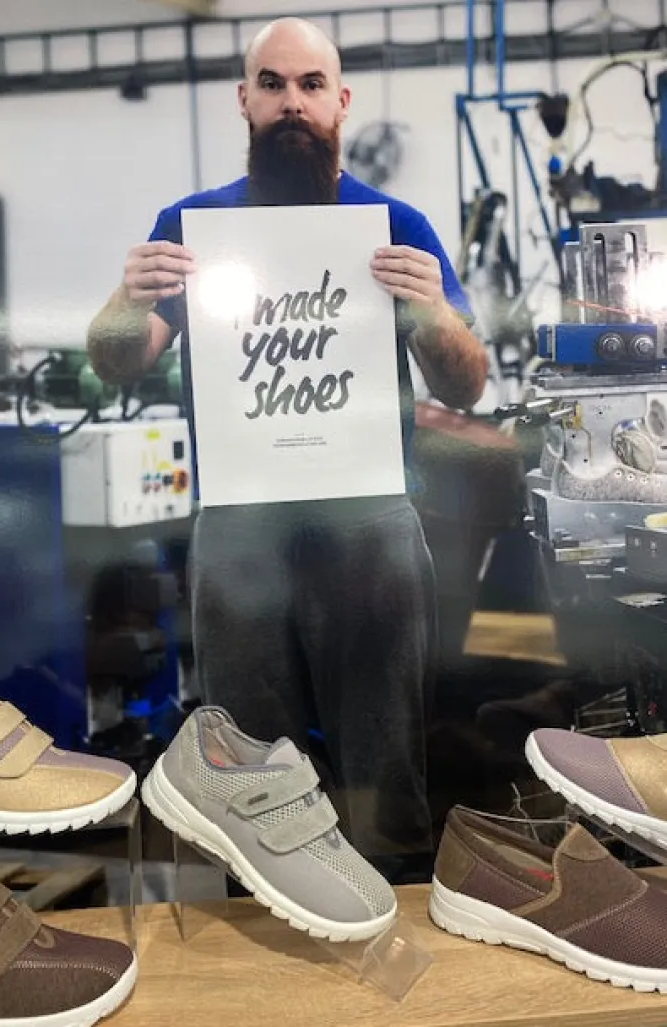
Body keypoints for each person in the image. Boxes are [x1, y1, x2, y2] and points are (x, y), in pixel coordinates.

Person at [88, 17, 487, 874]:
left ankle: (394, 913)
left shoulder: (396, 223)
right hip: (241, 527)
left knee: (386, 764)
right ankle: (271, 924)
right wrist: (126, 300)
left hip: (371, 523)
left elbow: (465, 387)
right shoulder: (193, 224)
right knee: (251, 771)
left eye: (311, 85)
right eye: (272, 84)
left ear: (341, 100)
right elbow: (121, 360)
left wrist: (431, 311)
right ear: (245, 99)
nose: (292, 102)